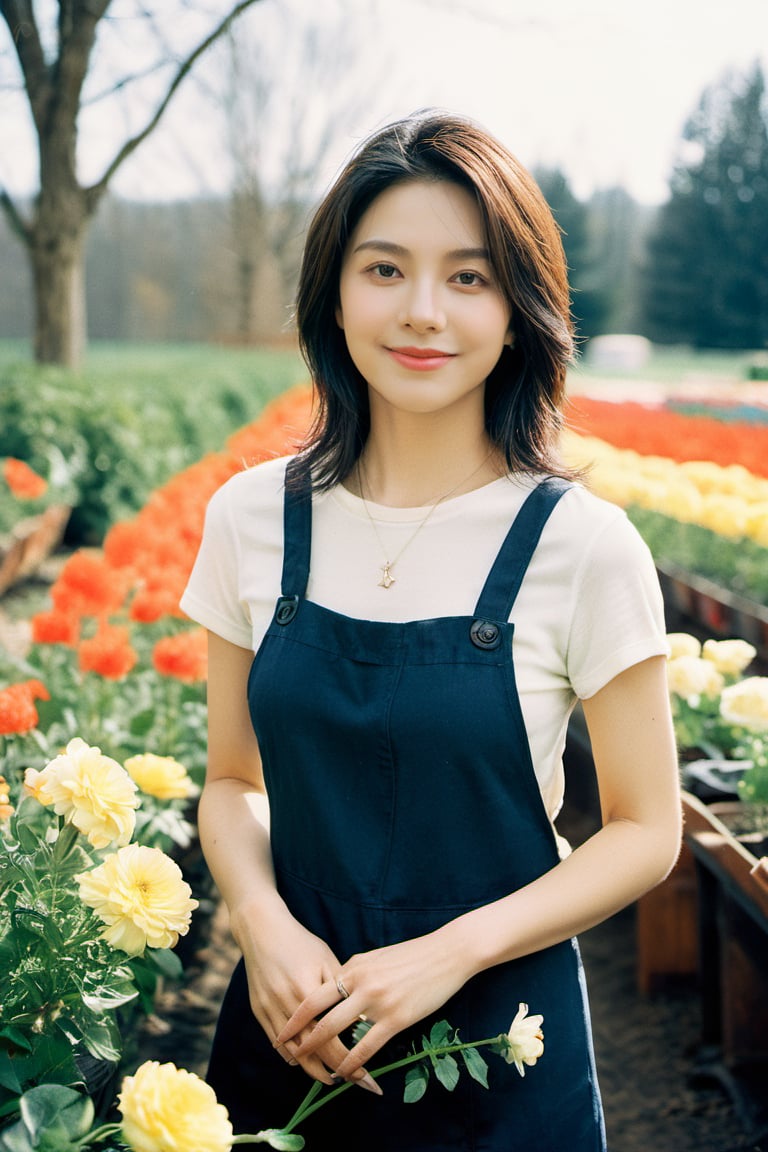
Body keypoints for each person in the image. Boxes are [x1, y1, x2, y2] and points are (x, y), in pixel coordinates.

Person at [180, 109, 682, 1151]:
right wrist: (264, 932)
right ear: (334, 292)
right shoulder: (250, 519)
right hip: (294, 1034)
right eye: (384, 269)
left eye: (468, 276)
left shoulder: (583, 546)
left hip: (506, 1049)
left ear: (518, 309)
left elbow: (645, 829)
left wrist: (451, 952)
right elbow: (232, 783)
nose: (421, 312)